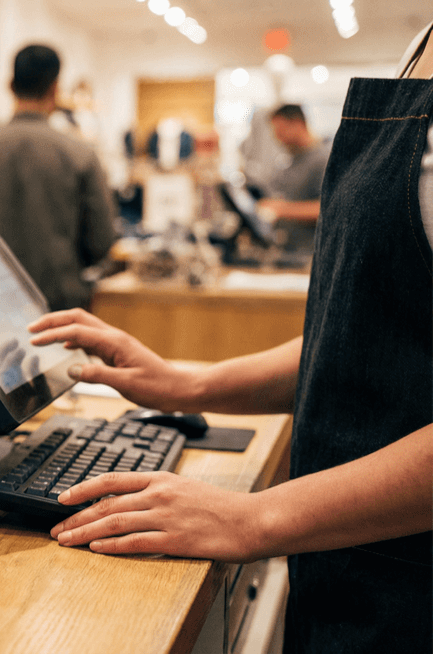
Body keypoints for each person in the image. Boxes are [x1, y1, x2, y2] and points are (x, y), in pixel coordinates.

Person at [26, 24, 433, 653]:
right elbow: (369, 334)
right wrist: (190, 383)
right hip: (347, 568)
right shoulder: (416, 50)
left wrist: (255, 515)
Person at [0, 44, 116, 312]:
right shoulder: (79, 155)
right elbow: (101, 240)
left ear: (10, 85)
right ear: (55, 90)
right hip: (58, 305)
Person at [258, 104, 331, 223]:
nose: (278, 138)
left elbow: (328, 208)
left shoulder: (323, 159)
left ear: (298, 124)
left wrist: (281, 209)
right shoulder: (293, 159)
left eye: (281, 132)